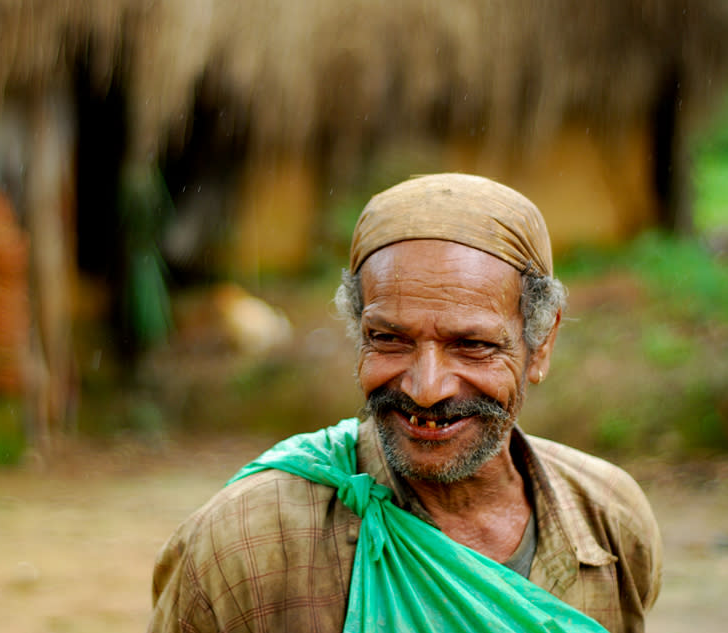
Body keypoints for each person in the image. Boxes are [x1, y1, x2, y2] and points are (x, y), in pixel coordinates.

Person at [148, 174, 662, 633]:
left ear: (540, 343)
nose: (426, 388)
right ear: (358, 333)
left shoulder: (609, 523)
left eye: (473, 345)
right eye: (390, 338)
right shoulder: (245, 545)